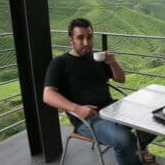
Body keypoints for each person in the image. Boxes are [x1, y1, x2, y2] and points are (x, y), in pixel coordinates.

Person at [43, 18, 155, 165]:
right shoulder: (60, 63)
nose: (86, 43)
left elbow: (121, 79)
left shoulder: (98, 58)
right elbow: (48, 95)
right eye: (80, 38)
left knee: (153, 119)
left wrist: (113, 63)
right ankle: (133, 148)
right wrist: (76, 108)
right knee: (124, 140)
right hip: (88, 117)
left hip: (112, 109)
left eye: (89, 37)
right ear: (71, 39)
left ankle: (139, 147)